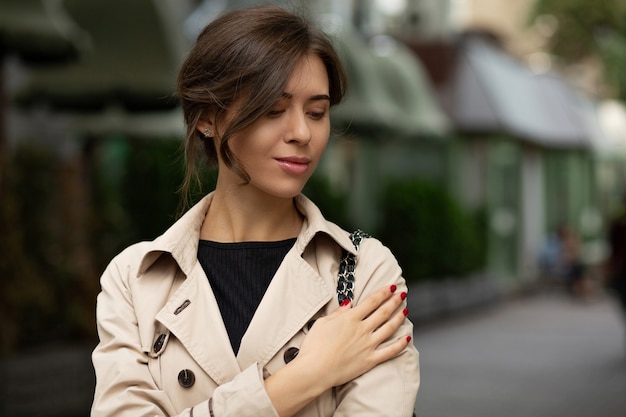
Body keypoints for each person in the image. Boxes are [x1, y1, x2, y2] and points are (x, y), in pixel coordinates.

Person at [90, 5, 419, 417]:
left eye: (316, 112)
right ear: (208, 117)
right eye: (273, 109)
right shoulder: (136, 279)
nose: (302, 133)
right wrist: (308, 376)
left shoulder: (362, 270)